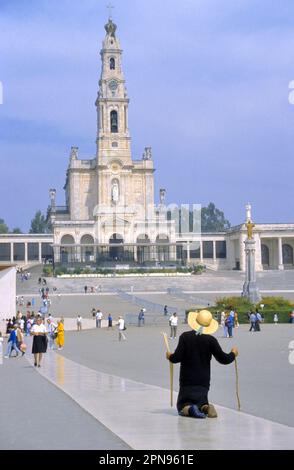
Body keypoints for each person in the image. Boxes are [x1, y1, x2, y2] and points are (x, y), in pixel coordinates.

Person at [166, 310, 238, 419]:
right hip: (203, 380)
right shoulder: (211, 340)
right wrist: (233, 353)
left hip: (187, 380)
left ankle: (190, 409)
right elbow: (224, 359)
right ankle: (206, 407)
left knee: (183, 406)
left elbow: (177, 358)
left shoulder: (185, 337)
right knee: (201, 402)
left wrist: (169, 356)